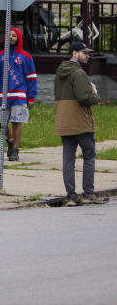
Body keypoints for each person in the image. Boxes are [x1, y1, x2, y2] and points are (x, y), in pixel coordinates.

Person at [54, 40, 107, 205]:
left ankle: (71, 196)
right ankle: (89, 193)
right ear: (74, 53)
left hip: (63, 119)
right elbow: (84, 98)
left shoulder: (59, 72)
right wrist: (95, 93)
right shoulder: (79, 73)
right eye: (85, 53)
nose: (88, 56)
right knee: (89, 155)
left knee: (68, 158)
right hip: (80, 120)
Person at [0, 27, 37, 161]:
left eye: (14, 35)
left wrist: (31, 97)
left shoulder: (25, 57)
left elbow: (31, 77)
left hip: (19, 95)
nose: (11, 37)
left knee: (16, 122)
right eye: (9, 35)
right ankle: (10, 139)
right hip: (3, 95)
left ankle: (15, 149)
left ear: (18, 38)